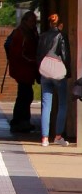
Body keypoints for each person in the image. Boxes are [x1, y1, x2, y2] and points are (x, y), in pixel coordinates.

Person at [37, 13, 71, 146]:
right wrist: (67, 72)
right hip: (58, 74)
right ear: (60, 24)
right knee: (62, 104)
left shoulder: (43, 36)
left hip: (45, 72)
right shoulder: (62, 36)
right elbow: (65, 55)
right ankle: (57, 136)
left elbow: (38, 54)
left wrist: (40, 71)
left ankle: (44, 138)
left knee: (46, 105)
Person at [8, 10, 39, 133]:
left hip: (27, 70)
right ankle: (20, 121)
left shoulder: (31, 33)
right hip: (23, 69)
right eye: (31, 21)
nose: (33, 24)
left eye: (34, 21)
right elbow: (19, 53)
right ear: (25, 21)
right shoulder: (21, 34)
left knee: (25, 95)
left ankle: (22, 121)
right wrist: (33, 61)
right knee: (24, 96)